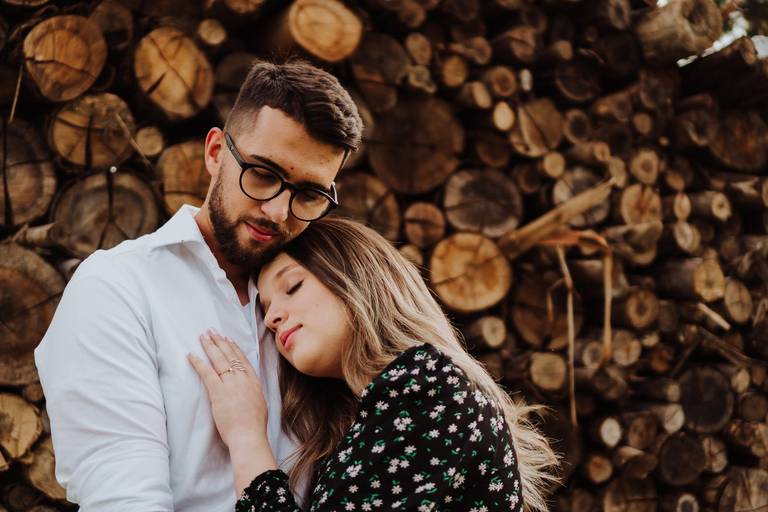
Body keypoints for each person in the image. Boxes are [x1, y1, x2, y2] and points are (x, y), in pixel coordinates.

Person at [34, 59, 363, 511]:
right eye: (264, 174)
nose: (278, 212)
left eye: (308, 194)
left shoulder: (323, 299)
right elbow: (125, 500)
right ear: (214, 152)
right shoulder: (118, 287)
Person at [188, 217, 560, 512]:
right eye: (266, 310)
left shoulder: (429, 390)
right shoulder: (386, 410)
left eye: (293, 287)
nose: (272, 319)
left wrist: (246, 436)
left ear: (357, 280)